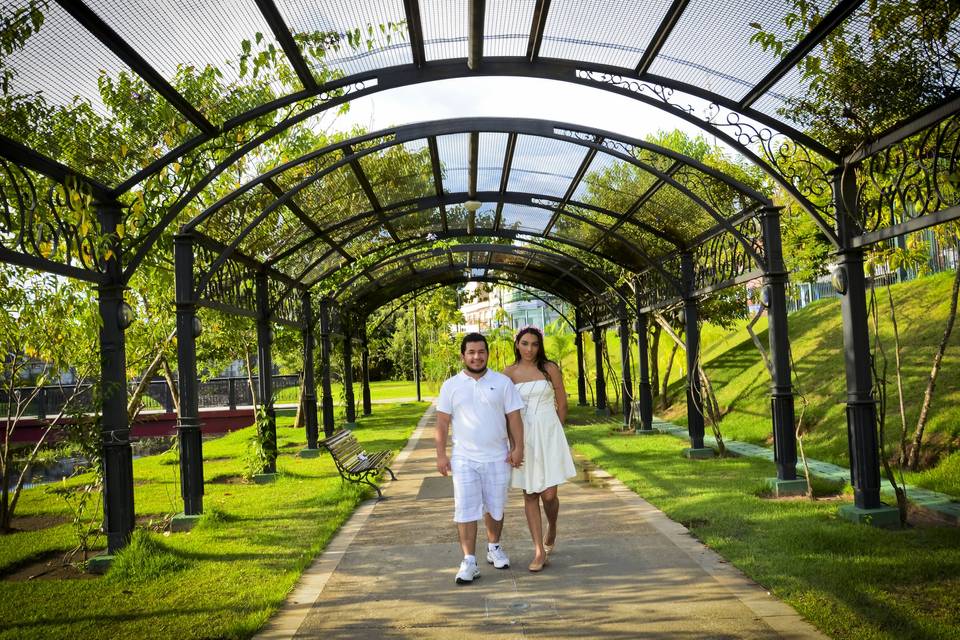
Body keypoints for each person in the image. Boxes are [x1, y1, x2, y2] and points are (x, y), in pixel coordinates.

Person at [435, 332, 525, 585]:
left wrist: (518, 448)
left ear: (488, 353)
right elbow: (442, 423)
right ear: (463, 355)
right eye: (471, 352)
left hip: (498, 456)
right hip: (464, 458)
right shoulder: (451, 385)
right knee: (465, 509)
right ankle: (469, 561)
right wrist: (441, 455)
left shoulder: (503, 383)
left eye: (481, 352)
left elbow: (514, 418)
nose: (477, 356)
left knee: (496, 507)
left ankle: (494, 547)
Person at [504, 325, 577, 572]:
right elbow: (506, 412)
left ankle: (553, 526)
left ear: (540, 346)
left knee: (549, 495)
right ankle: (538, 550)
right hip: (524, 435)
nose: (529, 349)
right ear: (517, 344)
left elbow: (562, 402)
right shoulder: (509, 373)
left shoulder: (549, 369)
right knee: (530, 494)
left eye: (534, 344)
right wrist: (514, 444)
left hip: (549, 433)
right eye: (525, 343)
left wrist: (556, 431)